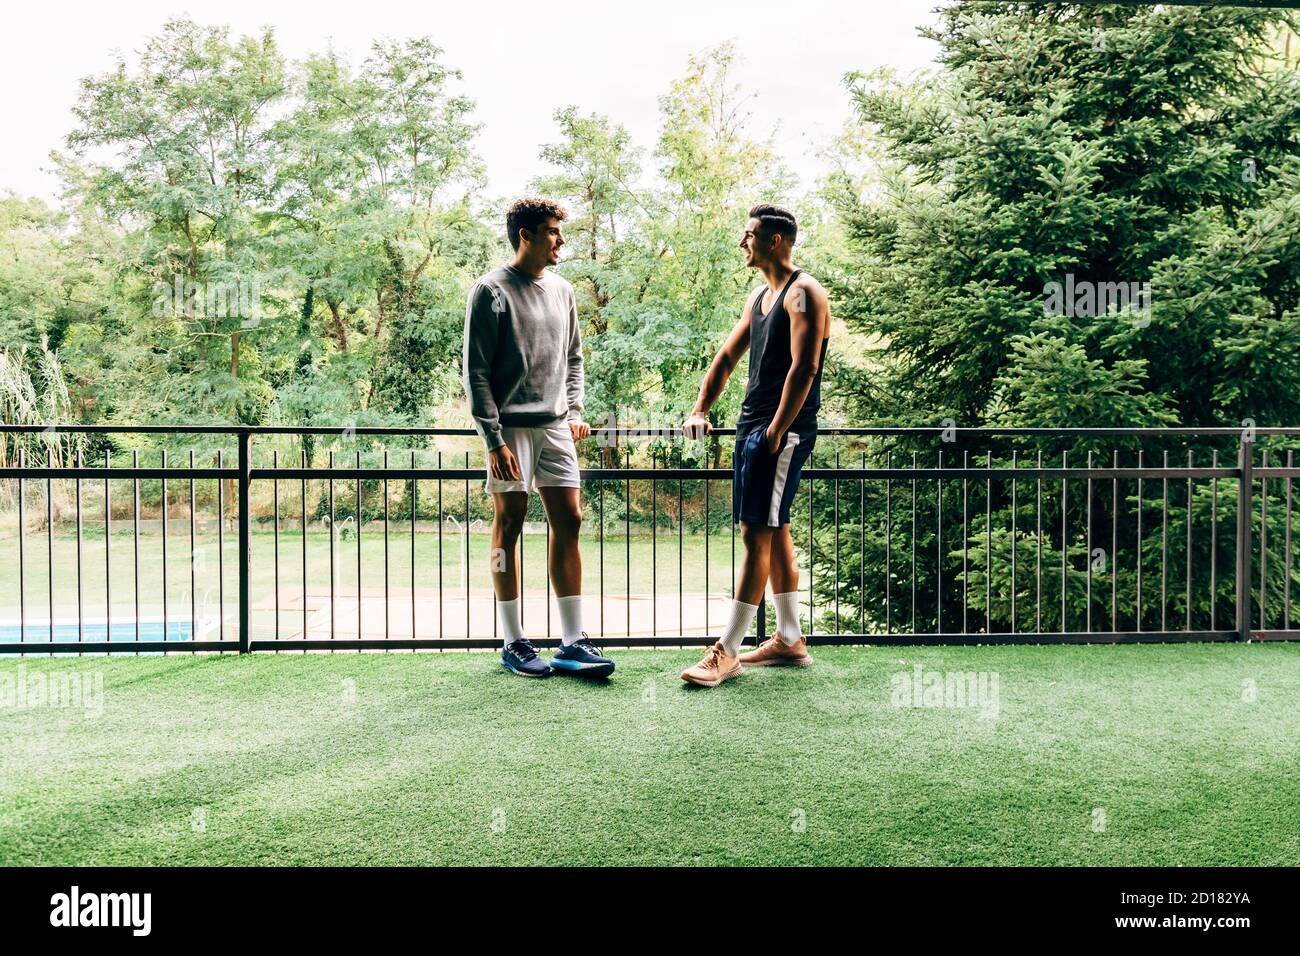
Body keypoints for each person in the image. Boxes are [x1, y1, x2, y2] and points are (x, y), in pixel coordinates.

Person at [463, 197, 614, 679]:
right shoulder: (490, 291)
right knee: (508, 523)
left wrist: (573, 411)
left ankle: (572, 642)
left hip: (554, 427)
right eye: (552, 231)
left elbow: (573, 358)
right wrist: (493, 440)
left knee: (568, 519)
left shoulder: (563, 291)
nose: (560, 241)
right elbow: (477, 372)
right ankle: (513, 642)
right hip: (508, 428)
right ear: (525, 235)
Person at [680, 203, 830, 687]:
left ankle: (727, 651)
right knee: (774, 527)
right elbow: (726, 357)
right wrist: (701, 408)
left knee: (754, 533)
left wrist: (776, 431)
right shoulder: (760, 298)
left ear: (776, 241)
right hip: (754, 427)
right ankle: (789, 639)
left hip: (779, 432)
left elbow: (804, 369)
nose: (742, 242)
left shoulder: (803, 293)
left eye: (749, 235)